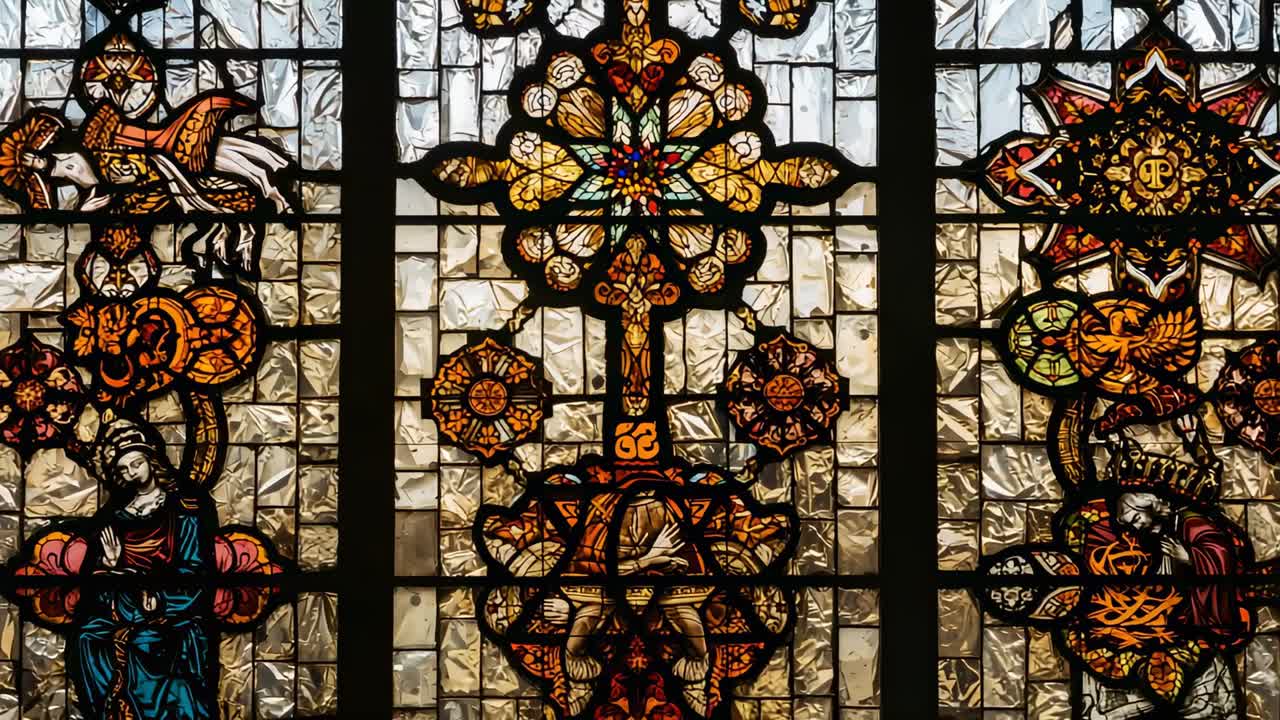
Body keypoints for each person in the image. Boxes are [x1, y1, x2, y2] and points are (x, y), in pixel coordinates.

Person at [71, 416, 217, 720]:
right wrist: (110, 565)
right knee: (88, 638)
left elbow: (195, 570)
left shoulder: (182, 512)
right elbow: (98, 586)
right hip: (124, 604)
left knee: (145, 642)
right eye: (123, 469)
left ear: (151, 461)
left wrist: (160, 599)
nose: (130, 472)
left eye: (135, 464)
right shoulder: (115, 517)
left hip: (171, 607)